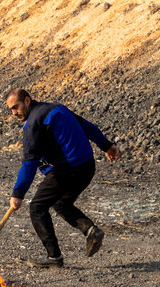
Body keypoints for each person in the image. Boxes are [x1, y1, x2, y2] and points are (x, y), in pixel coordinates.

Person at [6, 88, 120, 268]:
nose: (14, 113)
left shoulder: (34, 124)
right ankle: (91, 230)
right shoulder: (56, 107)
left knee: (37, 207)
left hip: (68, 170)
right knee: (60, 203)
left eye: (16, 107)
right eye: (11, 109)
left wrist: (18, 194)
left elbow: (29, 164)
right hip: (87, 167)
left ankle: (54, 258)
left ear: (27, 100)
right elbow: (85, 125)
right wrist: (106, 145)